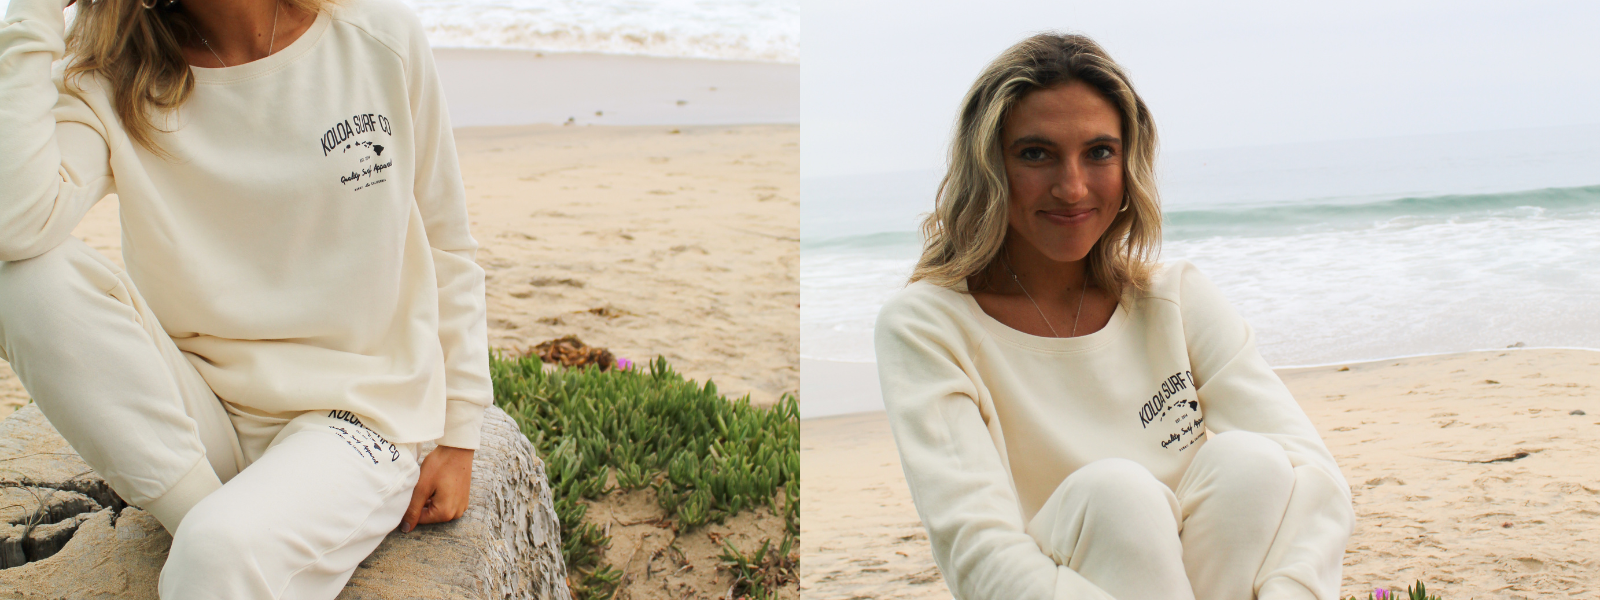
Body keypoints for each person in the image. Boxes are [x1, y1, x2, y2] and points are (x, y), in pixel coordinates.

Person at [0, 0, 490, 596]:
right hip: (195, 417)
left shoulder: (377, 37)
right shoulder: (110, 75)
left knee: (217, 551)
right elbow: (14, 225)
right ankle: (210, 518)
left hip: (355, 414)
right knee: (24, 278)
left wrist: (461, 431)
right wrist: (30, 17)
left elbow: (447, 242)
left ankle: (224, 538)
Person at [874, 33, 1354, 600]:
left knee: (1253, 462)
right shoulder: (928, 326)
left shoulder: (1173, 299)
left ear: (1128, 163)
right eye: (1036, 153)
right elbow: (980, 554)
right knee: (1117, 493)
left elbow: (1317, 477)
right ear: (990, 165)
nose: (1072, 186)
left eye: (1098, 152)